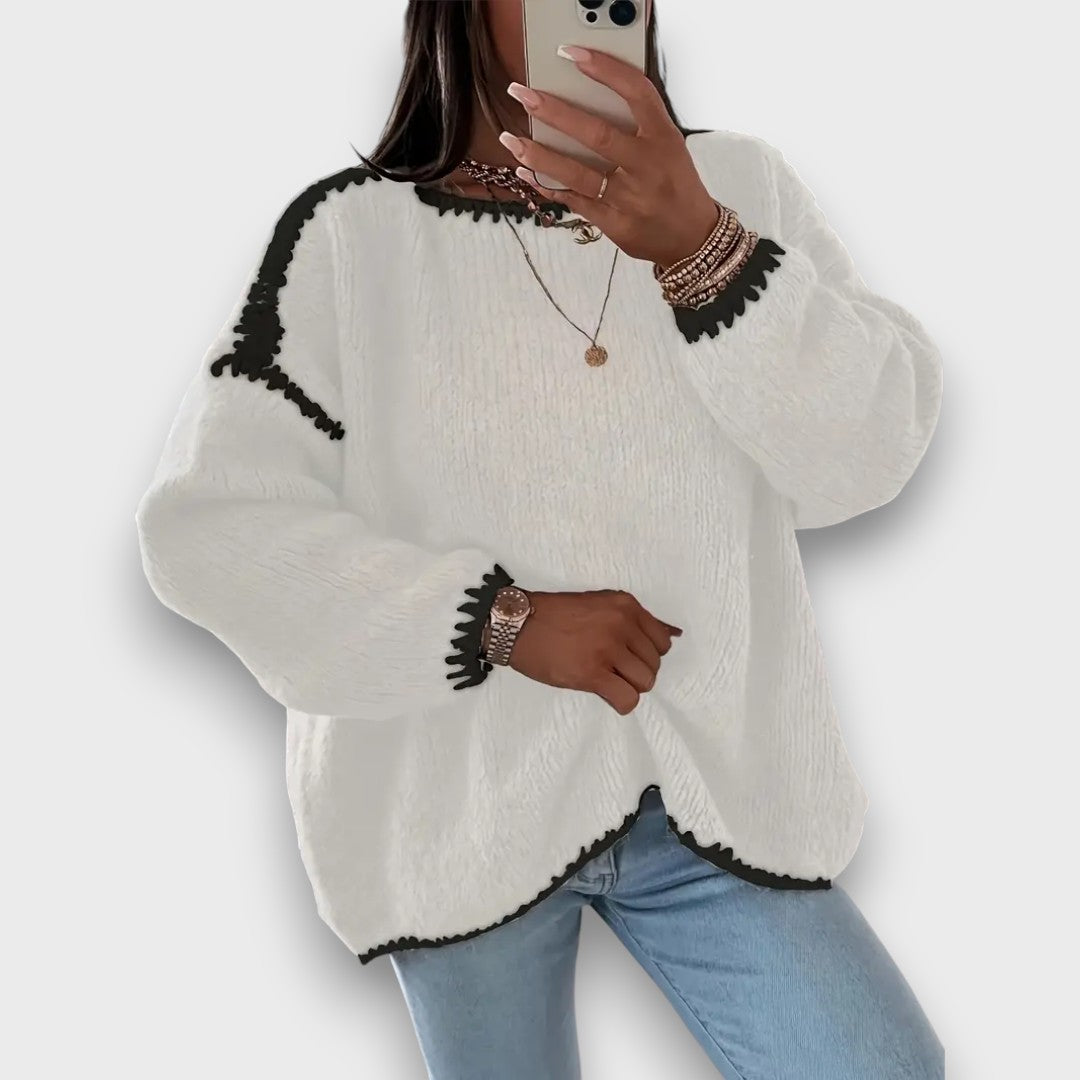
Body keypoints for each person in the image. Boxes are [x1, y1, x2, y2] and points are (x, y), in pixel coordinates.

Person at [134, 1, 945, 1076]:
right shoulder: (349, 240)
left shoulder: (737, 189)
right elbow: (210, 527)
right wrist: (497, 622)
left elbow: (868, 454)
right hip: (452, 814)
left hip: (718, 798)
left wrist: (702, 249)